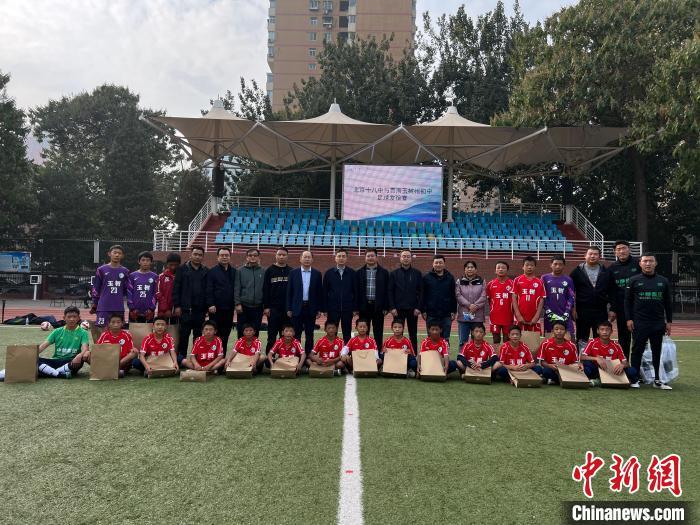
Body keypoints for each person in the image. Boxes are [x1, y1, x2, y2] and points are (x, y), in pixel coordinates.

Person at [0, 306, 90, 381]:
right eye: (69, 317)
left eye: (74, 317)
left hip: (71, 362)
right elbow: (42, 347)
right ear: (64, 318)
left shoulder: (83, 332)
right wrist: (28, 356)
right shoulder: (57, 331)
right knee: (34, 359)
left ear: (78, 318)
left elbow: (85, 349)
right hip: (56, 361)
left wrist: (79, 356)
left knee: (82, 358)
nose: (72, 319)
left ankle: (47, 371)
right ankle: (59, 374)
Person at [625, 254, 673, 390]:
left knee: (657, 351)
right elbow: (627, 301)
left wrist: (669, 321)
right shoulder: (634, 280)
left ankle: (657, 380)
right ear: (640, 263)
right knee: (637, 350)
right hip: (639, 322)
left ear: (655, 263)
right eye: (645, 261)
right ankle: (634, 379)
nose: (648, 263)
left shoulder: (663, 281)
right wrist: (629, 319)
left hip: (658, 322)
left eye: (651, 261)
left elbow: (668, 303)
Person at [173, 245, 208, 362]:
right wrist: (177, 305)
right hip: (185, 310)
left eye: (200, 255)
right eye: (195, 254)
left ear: (203, 257)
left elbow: (208, 290)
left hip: (200, 310)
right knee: (183, 336)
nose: (197, 257)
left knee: (198, 337)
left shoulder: (205, 271)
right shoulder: (182, 269)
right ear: (190, 255)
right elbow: (176, 288)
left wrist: (206, 307)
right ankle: (181, 360)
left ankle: (197, 359)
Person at [570, 246, 611, 347]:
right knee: (582, 337)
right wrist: (572, 309)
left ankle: (599, 355)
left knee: (601, 336)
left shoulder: (606, 272)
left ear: (599, 256)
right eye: (590, 254)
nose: (592, 256)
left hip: (601, 311)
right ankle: (582, 356)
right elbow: (570, 292)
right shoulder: (577, 272)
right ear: (585, 256)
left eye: (595, 254)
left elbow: (612, 291)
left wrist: (612, 309)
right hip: (582, 311)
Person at [286, 251, 323, 355]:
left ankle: (308, 356)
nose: (307, 259)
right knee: (296, 333)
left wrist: (319, 309)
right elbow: (289, 292)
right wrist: (288, 308)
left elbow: (319, 293)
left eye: (309, 257)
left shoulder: (317, 274)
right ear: (300, 259)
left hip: (311, 308)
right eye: (305, 257)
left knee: (309, 334)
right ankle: (296, 355)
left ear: (312, 259)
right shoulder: (293, 273)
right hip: (297, 308)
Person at [607, 240, 640, 359]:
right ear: (615, 252)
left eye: (624, 248)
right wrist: (613, 308)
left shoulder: (638, 263)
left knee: (639, 338)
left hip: (638, 307)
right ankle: (624, 364)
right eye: (618, 249)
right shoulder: (612, 268)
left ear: (629, 249)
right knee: (623, 339)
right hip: (622, 309)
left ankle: (637, 366)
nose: (622, 251)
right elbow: (611, 291)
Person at [581, 321, 639, 386]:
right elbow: (582, 357)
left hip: (612, 372)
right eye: (602, 329)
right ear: (597, 331)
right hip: (597, 370)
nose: (604, 332)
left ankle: (599, 381)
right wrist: (596, 358)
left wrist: (622, 365)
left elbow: (626, 363)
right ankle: (603, 380)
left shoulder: (616, 345)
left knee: (632, 371)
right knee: (586, 365)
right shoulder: (592, 342)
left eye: (607, 330)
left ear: (611, 331)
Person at [388, 249, 423, 352]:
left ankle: (413, 355)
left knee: (413, 334)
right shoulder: (394, 274)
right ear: (400, 258)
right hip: (398, 310)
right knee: (398, 333)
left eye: (408, 256)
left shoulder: (417, 273)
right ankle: (398, 356)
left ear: (411, 258)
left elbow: (421, 292)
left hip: (413, 310)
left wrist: (418, 308)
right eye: (404, 256)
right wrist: (392, 307)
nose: (406, 258)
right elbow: (390, 291)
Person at [354, 249, 389, 349]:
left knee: (378, 332)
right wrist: (356, 307)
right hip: (364, 306)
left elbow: (387, 291)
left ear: (376, 257)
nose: (370, 258)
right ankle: (365, 351)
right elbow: (356, 291)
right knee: (364, 331)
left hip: (378, 307)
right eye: (368, 256)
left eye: (372, 256)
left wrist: (386, 306)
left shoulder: (384, 272)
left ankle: (378, 352)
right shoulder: (359, 272)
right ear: (365, 258)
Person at [90, 245, 129, 329]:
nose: (117, 255)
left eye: (119, 253)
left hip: (118, 307)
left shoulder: (125, 271)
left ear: (122, 256)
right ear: (109, 254)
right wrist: (94, 303)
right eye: (115, 253)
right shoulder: (101, 270)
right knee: (101, 330)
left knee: (117, 331)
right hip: (104, 306)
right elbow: (96, 288)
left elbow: (127, 290)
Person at [205, 247, 236, 351]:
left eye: (226, 255)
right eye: (222, 255)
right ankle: (212, 356)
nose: (224, 257)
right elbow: (208, 289)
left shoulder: (234, 272)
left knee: (226, 333)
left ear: (230, 257)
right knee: (214, 333)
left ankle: (222, 356)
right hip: (215, 309)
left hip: (229, 308)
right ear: (217, 257)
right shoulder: (212, 271)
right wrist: (210, 304)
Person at [323, 248, 356, 343]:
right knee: (332, 332)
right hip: (332, 309)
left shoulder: (352, 273)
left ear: (346, 258)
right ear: (335, 258)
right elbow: (324, 292)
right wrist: (325, 309)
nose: (341, 258)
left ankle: (347, 350)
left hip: (347, 309)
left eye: (343, 256)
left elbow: (355, 292)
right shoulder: (329, 273)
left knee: (347, 332)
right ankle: (332, 349)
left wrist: (354, 308)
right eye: (339, 256)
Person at [421, 255, 457, 342]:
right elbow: (423, 295)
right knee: (431, 339)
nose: (438, 264)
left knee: (445, 339)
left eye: (440, 262)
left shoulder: (450, 277)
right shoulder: (426, 277)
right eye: (436, 263)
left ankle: (445, 352)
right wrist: (423, 310)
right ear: (433, 264)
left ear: (444, 264)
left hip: (446, 314)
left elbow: (453, 295)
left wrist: (453, 310)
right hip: (431, 314)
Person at [263, 247, 292, 353]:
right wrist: (266, 307)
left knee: (285, 335)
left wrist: (291, 307)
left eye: (284, 255)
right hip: (273, 309)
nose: (281, 256)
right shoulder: (269, 270)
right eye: (279, 254)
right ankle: (269, 357)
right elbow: (265, 289)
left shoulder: (291, 271)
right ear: (275, 256)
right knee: (272, 335)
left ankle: (283, 356)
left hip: (287, 309)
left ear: (287, 257)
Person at [541, 256, 576, 338]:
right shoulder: (544, 278)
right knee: (550, 339)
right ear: (551, 265)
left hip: (565, 315)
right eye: (555, 264)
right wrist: (548, 311)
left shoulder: (568, 280)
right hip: (550, 315)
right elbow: (542, 296)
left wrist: (567, 312)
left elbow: (571, 297)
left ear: (564, 265)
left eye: (560, 264)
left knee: (569, 337)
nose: (557, 266)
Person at [536, 320, 581, 385]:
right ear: (552, 331)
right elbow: (542, 362)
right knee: (546, 371)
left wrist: (569, 367)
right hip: (552, 370)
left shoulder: (572, 345)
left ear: (565, 331)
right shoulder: (545, 344)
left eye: (562, 329)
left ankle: (554, 380)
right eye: (556, 329)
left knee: (581, 370)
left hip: (567, 370)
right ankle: (561, 380)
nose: (559, 331)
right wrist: (549, 365)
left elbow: (575, 362)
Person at [455, 260, 487, 347]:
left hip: (478, 317)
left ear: (476, 269)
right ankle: (461, 356)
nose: (470, 269)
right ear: (464, 269)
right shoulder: (459, 281)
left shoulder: (482, 281)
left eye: (472, 267)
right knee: (463, 342)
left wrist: (475, 306)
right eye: (468, 267)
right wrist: (469, 305)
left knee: (477, 341)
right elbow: (458, 295)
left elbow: (484, 296)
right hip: (464, 317)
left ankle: (476, 356)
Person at [234, 248, 265, 339]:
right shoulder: (240, 271)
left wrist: (265, 305)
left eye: (255, 255)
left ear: (258, 257)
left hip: (258, 307)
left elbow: (265, 289)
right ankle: (240, 348)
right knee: (241, 330)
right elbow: (237, 288)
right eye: (250, 255)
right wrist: (237, 303)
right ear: (247, 257)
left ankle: (254, 348)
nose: (253, 257)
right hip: (243, 307)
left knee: (255, 330)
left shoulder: (263, 271)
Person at [96, 313, 138, 377]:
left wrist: (133, 350)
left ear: (122, 323)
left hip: (122, 364)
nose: (116, 324)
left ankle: (111, 370)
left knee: (134, 352)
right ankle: (114, 371)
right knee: (88, 354)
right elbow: (97, 349)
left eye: (118, 322)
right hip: (107, 361)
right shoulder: (104, 335)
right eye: (113, 322)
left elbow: (131, 349)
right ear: (109, 324)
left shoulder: (126, 335)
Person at [512, 256, 545, 333]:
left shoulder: (539, 282)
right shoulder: (517, 280)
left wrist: (537, 316)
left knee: (534, 339)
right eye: (527, 265)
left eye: (532, 265)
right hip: (519, 317)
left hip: (534, 317)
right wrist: (518, 315)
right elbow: (514, 298)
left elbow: (541, 299)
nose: (529, 267)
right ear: (523, 267)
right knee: (518, 338)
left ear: (535, 267)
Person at [485, 261, 514, 345]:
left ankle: (505, 353)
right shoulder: (490, 284)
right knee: (496, 339)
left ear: (507, 270)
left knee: (507, 339)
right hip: (495, 316)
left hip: (508, 317)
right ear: (495, 270)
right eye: (498, 268)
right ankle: (496, 354)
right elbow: (489, 300)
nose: (500, 269)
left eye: (503, 268)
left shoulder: (512, 284)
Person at [127, 251, 158, 323]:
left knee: (148, 329)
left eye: (148, 260)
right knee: (134, 329)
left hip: (149, 312)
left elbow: (155, 293)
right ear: (139, 261)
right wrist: (132, 308)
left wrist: (151, 308)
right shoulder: (132, 276)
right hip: (134, 311)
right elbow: (129, 292)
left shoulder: (155, 276)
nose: (145, 262)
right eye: (143, 260)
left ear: (151, 262)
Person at [156, 252, 181, 321]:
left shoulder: (183, 276)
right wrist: (166, 309)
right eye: (171, 265)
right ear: (167, 264)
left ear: (179, 264)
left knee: (177, 327)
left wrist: (178, 307)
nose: (173, 267)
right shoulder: (161, 276)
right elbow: (158, 293)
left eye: (176, 265)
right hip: (163, 312)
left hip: (178, 311)